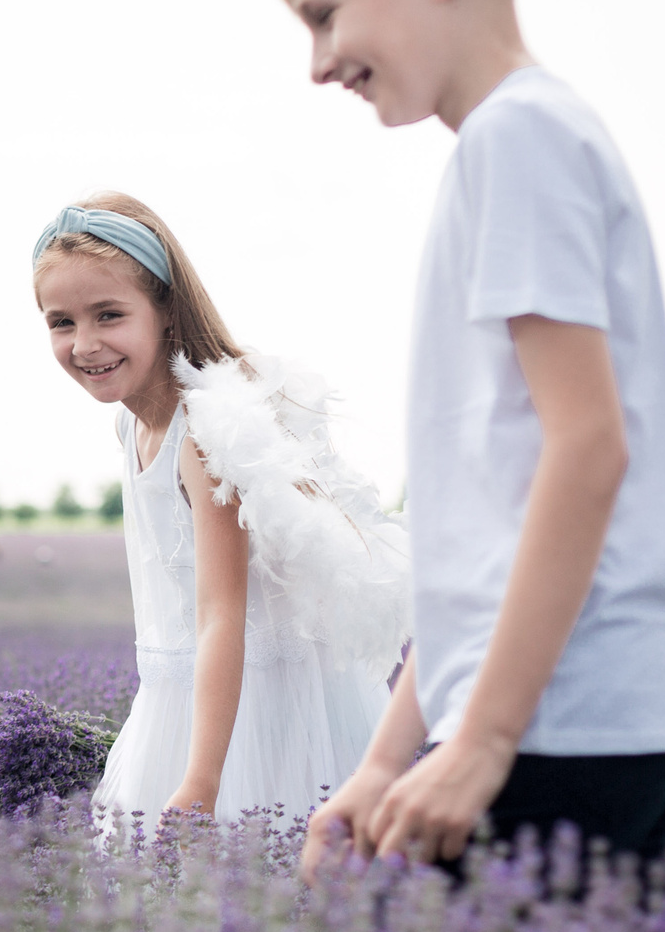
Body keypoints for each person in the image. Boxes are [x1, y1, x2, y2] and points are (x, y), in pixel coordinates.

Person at [276, 0, 665, 886]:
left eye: (325, 14)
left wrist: (481, 738)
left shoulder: (516, 140)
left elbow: (588, 448)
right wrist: (387, 759)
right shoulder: (518, 141)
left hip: (562, 722)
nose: (318, 63)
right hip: (557, 717)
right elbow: (484, 546)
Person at [31, 194, 409, 827]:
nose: (85, 343)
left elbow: (221, 615)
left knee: (257, 870)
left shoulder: (207, 433)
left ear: (166, 311)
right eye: (61, 322)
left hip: (259, 709)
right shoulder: (131, 427)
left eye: (109, 315)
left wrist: (202, 781)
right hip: (181, 694)